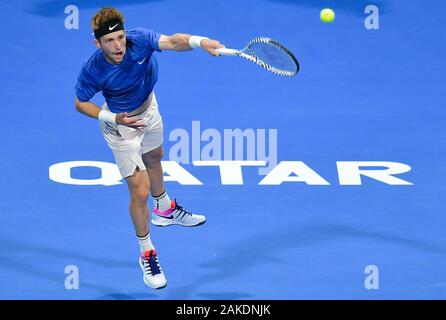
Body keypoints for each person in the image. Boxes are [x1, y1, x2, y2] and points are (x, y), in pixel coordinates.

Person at [74, 7, 224, 289]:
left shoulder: (140, 39)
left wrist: (201, 42)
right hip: (120, 127)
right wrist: (112, 117)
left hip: (149, 109)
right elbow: (80, 103)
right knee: (139, 191)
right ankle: (146, 251)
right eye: (109, 41)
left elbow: (174, 40)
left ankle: (165, 209)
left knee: (155, 157)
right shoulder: (93, 69)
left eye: (119, 37)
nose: (118, 46)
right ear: (98, 43)